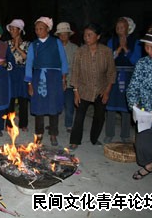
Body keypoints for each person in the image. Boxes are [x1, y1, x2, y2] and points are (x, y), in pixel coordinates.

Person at [127, 23, 152, 200]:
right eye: (146, 46)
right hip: (146, 116)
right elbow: (132, 88)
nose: (148, 49)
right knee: (142, 146)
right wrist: (135, 106)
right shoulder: (142, 64)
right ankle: (149, 164)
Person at [69, 23, 116, 151]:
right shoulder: (80, 51)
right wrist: (76, 92)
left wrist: (107, 92)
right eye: (85, 35)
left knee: (99, 117)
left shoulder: (106, 52)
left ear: (98, 36)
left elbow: (111, 73)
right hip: (84, 89)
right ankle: (74, 141)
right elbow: (75, 73)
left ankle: (94, 139)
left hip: (101, 89)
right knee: (79, 116)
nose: (86, 37)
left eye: (90, 35)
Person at [25, 17, 68, 146]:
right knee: (39, 107)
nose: (38, 31)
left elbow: (63, 61)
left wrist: (64, 79)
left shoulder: (56, 42)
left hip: (54, 78)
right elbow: (29, 64)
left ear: (48, 29)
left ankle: (53, 134)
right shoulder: (34, 44)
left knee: (53, 106)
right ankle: (39, 134)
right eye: (36, 29)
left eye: (41, 28)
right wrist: (29, 83)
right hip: (38, 77)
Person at [104, 17, 142, 143]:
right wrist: (119, 48)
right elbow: (108, 59)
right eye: (117, 27)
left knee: (127, 105)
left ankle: (125, 135)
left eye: (122, 27)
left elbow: (136, 61)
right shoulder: (111, 41)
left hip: (129, 76)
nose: (119, 29)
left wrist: (125, 48)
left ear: (128, 28)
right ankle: (109, 134)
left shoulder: (136, 42)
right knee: (110, 105)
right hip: (114, 74)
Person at [5, 19, 31, 131]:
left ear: (19, 30)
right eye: (10, 28)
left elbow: (28, 58)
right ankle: (9, 124)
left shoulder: (28, 44)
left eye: (14, 29)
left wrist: (18, 48)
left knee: (23, 99)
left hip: (22, 72)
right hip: (10, 72)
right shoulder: (6, 43)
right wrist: (13, 47)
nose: (11, 31)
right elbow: (4, 57)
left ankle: (23, 124)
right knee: (10, 99)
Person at [54, 22, 78, 133]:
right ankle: (53, 124)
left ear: (69, 35)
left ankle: (69, 124)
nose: (63, 36)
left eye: (65, 34)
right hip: (55, 80)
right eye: (61, 34)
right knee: (55, 105)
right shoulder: (54, 47)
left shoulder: (75, 48)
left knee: (69, 105)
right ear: (58, 35)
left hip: (70, 81)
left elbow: (77, 65)